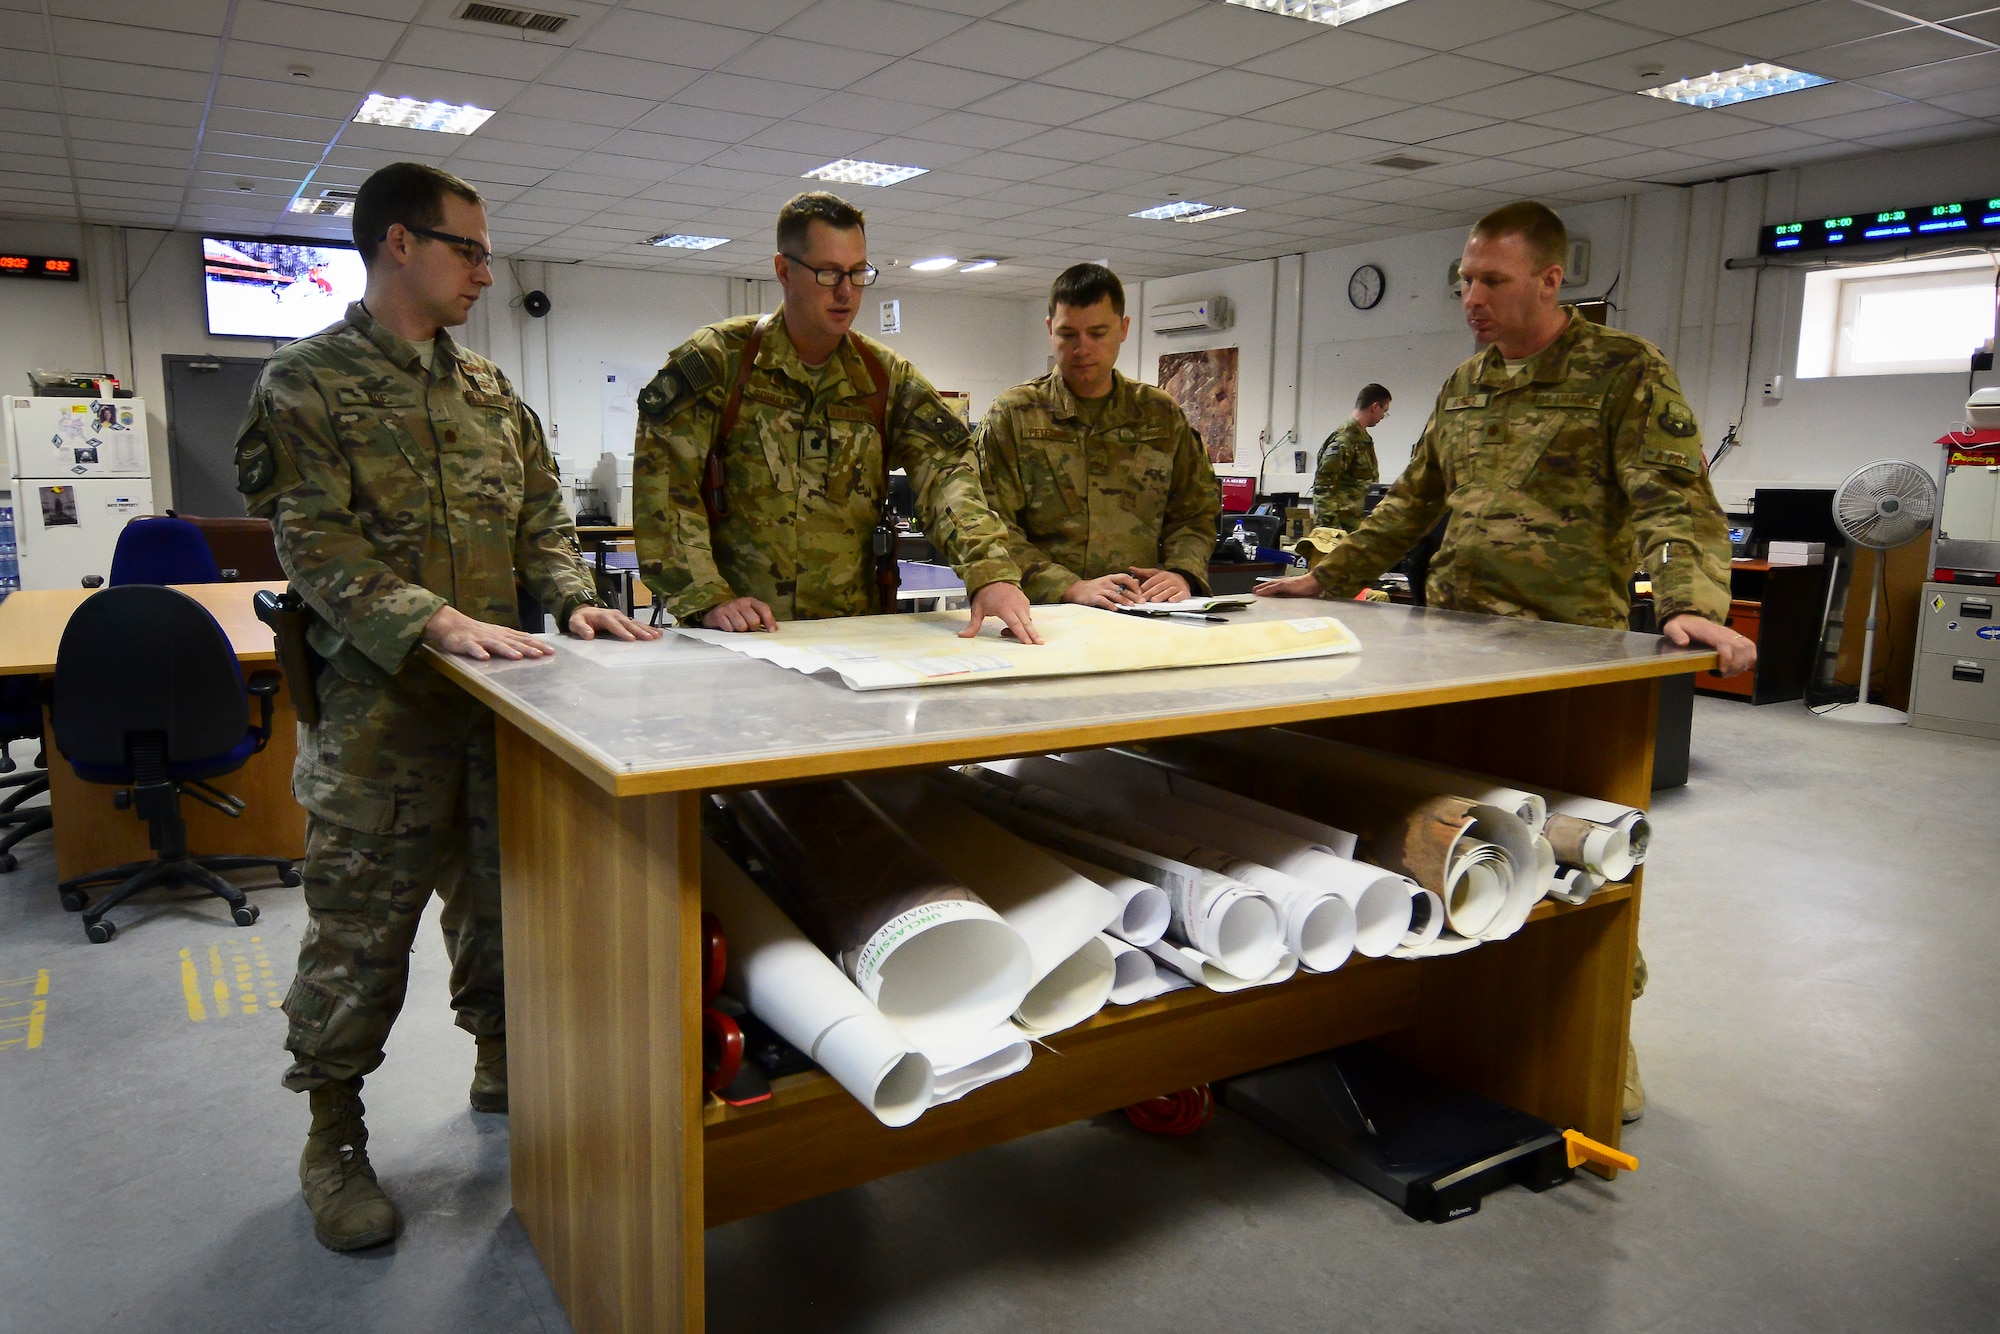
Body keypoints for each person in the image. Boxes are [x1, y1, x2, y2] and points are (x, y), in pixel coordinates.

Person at [233, 161, 658, 1253]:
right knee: (359, 936)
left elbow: (541, 524)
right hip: (384, 720)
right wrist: (432, 619)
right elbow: (315, 546)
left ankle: (501, 1059)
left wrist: (572, 601)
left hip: (500, 711)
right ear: (396, 246)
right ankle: (332, 1135)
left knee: (507, 908)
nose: (484, 268)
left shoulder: (488, 394)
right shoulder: (304, 385)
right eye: (466, 248)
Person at [1259, 200, 1755, 1123]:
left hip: (1562, 653)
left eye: (1491, 280)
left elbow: (1673, 495)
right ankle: (1439, 1006)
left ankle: (1603, 1029)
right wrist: (1328, 578)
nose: (1472, 298)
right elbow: (1411, 502)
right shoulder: (1465, 384)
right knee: (1444, 827)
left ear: (1550, 280)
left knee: (1572, 847)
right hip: (1450, 644)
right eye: (1465, 281)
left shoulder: (1621, 372)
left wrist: (1690, 605)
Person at [632, 191, 1039, 643]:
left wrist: (989, 571)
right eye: (828, 273)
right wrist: (707, 596)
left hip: (853, 640)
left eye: (858, 273)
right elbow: (665, 488)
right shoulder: (720, 362)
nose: (846, 291)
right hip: (739, 637)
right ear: (784, 270)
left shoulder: (884, 378)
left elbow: (946, 471)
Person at [976, 263, 1220, 607]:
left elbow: (1195, 512)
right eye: (1068, 334)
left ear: (1123, 329)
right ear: (1049, 329)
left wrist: (1182, 572)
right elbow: (989, 523)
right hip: (1044, 613)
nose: (1082, 348)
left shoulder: (1160, 416)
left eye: (1098, 333)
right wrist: (1069, 586)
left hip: (1142, 610)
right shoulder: (1014, 415)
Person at [1312, 383, 1388, 533]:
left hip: (1356, 527)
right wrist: (1333, 532)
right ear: (1375, 406)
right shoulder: (1345, 440)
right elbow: (1323, 488)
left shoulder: (1361, 439)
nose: (1383, 417)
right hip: (1342, 530)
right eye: (1384, 411)